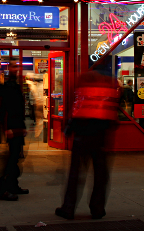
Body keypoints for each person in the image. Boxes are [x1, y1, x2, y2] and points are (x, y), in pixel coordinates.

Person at [55, 71, 119, 220]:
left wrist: (69, 129)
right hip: (100, 138)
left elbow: (76, 110)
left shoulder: (83, 86)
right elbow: (113, 114)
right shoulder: (110, 88)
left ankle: (68, 208)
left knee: (75, 175)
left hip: (82, 137)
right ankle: (97, 208)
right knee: (100, 175)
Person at [0, 64, 29, 201]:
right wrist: (7, 129)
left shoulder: (14, 87)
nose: (17, 71)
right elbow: (6, 111)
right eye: (15, 69)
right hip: (12, 129)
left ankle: (13, 185)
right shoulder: (9, 89)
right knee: (11, 160)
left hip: (16, 128)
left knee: (15, 158)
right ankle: (2, 190)